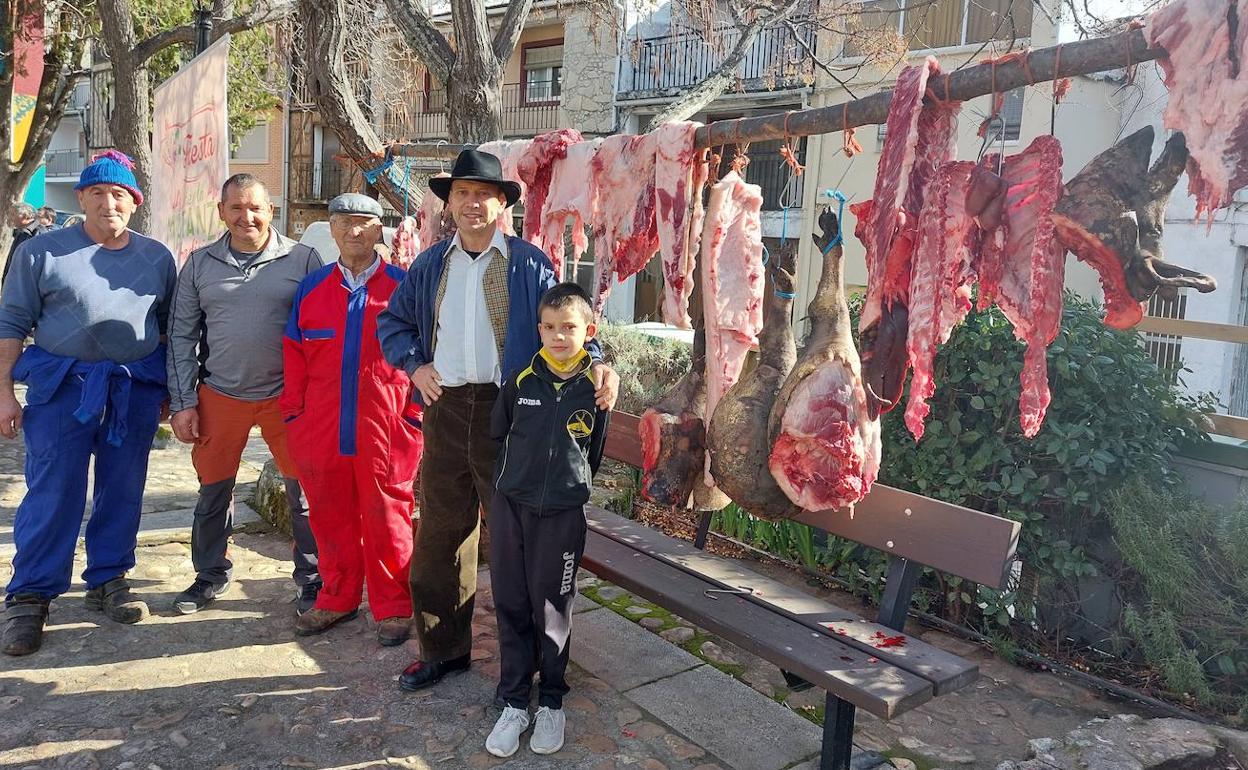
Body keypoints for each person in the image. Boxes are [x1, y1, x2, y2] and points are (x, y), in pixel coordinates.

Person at [377, 148, 619, 691]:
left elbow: (572, 324)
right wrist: (415, 366)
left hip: (511, 415)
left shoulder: (529, 263)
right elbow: (392, 324)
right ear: (449, 203)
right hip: (443, 410)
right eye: (461, 193)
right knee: (441, 536)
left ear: (500, 204)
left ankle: (532, 661)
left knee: (516, 544)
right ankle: (444, 651)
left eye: (483, 194)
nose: (471, 204)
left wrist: (599, 361)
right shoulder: (430, 264)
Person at [0, 151, 176, 656]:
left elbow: (170, 329)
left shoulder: (157, 257)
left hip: (131, 392)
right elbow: (12, 322)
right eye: (97, 193)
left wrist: (167, 391)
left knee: (123, 488)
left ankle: (109, 578)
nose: (108, 202)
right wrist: (5, 393)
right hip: (61, 390)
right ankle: (31, 595)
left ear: (134, 203)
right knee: (52, 491)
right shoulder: (42, 252)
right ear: (81, 198)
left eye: (119, 194)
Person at [166, 174, 324, 615]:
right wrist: (183, 403)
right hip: (220, 394)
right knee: (213, 491)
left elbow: (321, 333)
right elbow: (181, 336)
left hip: (287, 398)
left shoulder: (303, 259)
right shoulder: (199, 265)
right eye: (235, 207)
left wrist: (319, 400)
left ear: (270, 210)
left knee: (304, 493)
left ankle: (312, 579)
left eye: (254, 207)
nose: (245, 216)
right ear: (221, 212)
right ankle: (209, 574)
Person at [283, 193, 423, 647]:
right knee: (328, 514)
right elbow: (294, 357)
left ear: (379, 229)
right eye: (343, 222)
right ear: (332, 229)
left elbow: (425, 356)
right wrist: (295, 417)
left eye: (363, 222)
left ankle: (394, 605)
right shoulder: (313, 289)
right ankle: (337, 597)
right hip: (321, 427)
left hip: (387, 426)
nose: (353, 231)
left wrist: (413, 415)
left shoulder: (404, 287)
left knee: (389, 516)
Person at [484, 282, 609, 758]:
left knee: (553, 608)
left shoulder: (594, 391)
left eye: (570, 329)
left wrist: (565, 488)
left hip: (561, 515)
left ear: (587, 332)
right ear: (540, 330)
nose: (560, 337)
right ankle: (515, 701)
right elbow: (499, 435)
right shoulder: (520, 381)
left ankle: (552, 701)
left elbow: (591, 455)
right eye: (551, 328)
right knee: (512, 603)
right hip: (511, 508)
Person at [3, 203, 45, 283]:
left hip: (26, 284)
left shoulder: (38, 233)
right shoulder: (22, 232)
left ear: (26, 216)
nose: (10, 217)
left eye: (13, 214)